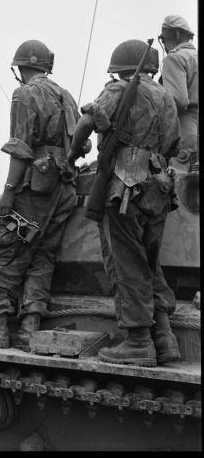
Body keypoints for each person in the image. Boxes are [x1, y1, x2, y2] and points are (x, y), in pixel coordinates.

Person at [0, 40, 88, 349]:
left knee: (5, 252)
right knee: (42, 256)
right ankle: (30, 325)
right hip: (65, 188)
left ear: (21, 67)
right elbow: (81, 144)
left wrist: (8, 193)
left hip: (35, 188)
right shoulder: (65, 95)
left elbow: (20, 149)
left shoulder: (25, 93)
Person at [67, 39, 181, 367]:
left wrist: (75, 154)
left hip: (124, 187)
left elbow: (87, 121)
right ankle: (163, 336)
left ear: (120, 69)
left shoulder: (118, 90)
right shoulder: (167, 97)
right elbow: (173, 143)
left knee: (126, 263)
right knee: (148, 263)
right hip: (159, 189)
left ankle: (138, 343)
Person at [158, 15, 198, 169]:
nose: (164, 44)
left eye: (163, 38)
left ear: (176, 34)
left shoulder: (174, 59)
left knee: (180, 185)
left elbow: (179, 101)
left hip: (185, 129)